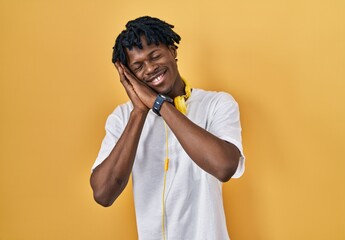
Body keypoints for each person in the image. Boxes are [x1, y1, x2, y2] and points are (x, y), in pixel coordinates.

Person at [90, 16, 245, 240]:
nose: (150, 68)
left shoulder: (217, 104)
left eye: (155, 56)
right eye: (138, 66)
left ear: (172, 50)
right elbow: (103, 193)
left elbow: (224, 167)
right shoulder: (123, 118)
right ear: (129, 75)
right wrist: (139, 112)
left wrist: (159, 104)